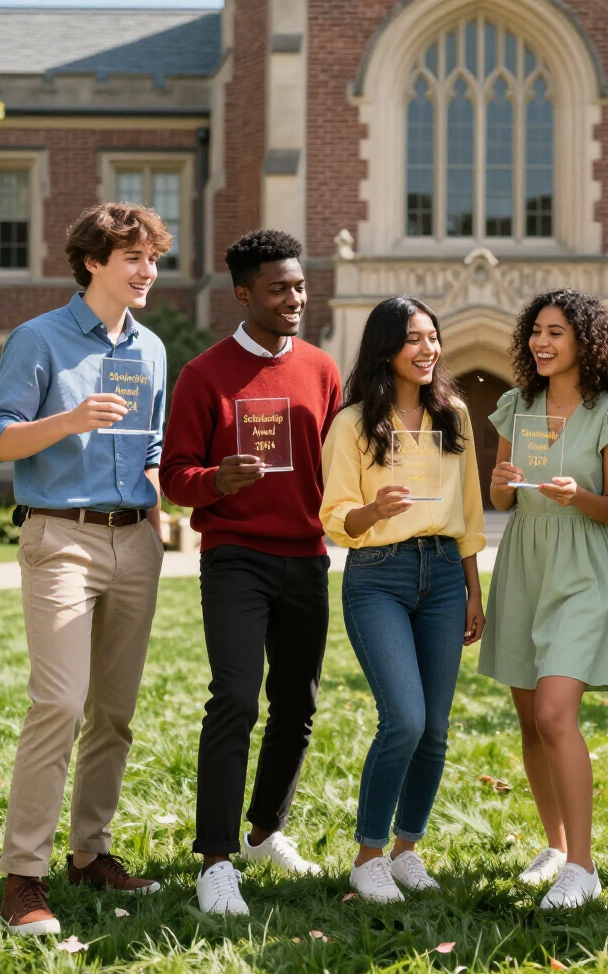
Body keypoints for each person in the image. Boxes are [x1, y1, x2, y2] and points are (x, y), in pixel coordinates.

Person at [0, 203, 172, 936]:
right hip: (61, 537)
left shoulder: (150, 349)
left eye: (153, 258)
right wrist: (69, 420)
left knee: (114, 712)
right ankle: (24, 877)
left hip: (135, 543)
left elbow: (151, 445)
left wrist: (161, 510)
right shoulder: (39, 339)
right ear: (93, 262)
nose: (148, 271)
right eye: (134, 258)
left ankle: (91, 854)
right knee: (59, 703)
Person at [160, 229, 342, 915]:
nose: (295, 298)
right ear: (244, 295)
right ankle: (215, 860)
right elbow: (176, 475)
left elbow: (338, 462)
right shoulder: (204, 375)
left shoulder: (323, 370)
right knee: (236, 696)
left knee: (297, 704)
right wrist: (217, 479)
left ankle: (266, 832)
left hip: (307, 557)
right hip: (234, 557)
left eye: (299, 286)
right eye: (279, 289)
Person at [319, 296, 486, 904]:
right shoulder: (354, 423)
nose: (429, 349)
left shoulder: (455, 416)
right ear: (387, 347)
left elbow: (468, 511)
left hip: (443, 575)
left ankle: (406, 849)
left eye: (433, 337)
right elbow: (335, 518)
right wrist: (374, 509)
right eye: (414, 339)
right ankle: (368, 857)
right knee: (405, 720)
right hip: (378, 576)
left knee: (436, 730)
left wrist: (473, 591)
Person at [481, 289, 608, 909]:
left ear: (585, 343)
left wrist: (579, 495)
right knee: (528, 718)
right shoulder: (514, 408)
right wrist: (499, 485)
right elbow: (504, 500)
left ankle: (583, 866)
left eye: (556, 333)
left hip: (580, 566)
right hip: (523, 562)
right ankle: (555, 846)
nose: (542, 344)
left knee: (554, 713)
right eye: (536, 333)